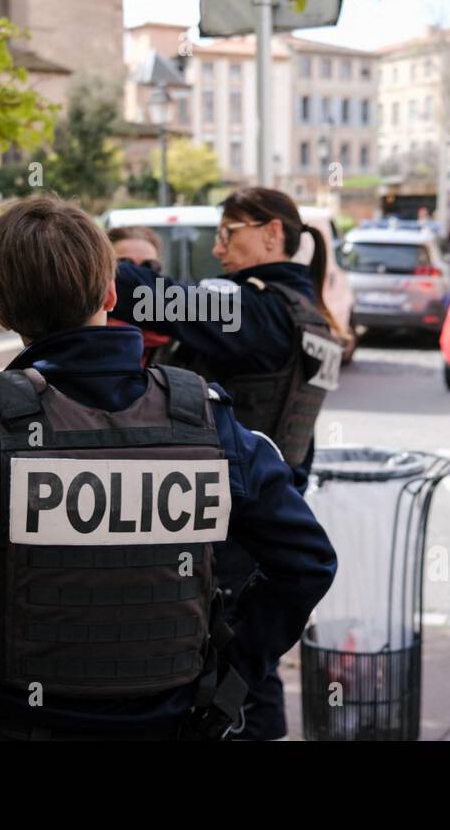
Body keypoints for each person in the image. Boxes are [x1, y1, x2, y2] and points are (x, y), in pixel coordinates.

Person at [0, 194, 336, 740]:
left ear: (0, 311)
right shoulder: (210, 423)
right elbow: (308, 564)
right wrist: (230, 678)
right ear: (111, 294)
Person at [111, 186, 345, 740]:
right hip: (266, 515)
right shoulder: (306, 315)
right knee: (246, 656)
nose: (218, 249)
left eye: (228, 233)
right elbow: (296, 436)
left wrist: (74, 258)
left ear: (272, 233)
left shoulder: (261, 310)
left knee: (225, 661)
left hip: (227, 528)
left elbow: (159, 298)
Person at [107, 226, 171, 366]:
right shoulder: (86, 336)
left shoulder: (177, 341)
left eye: (149, 267)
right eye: (125, 266)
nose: (138, 278)